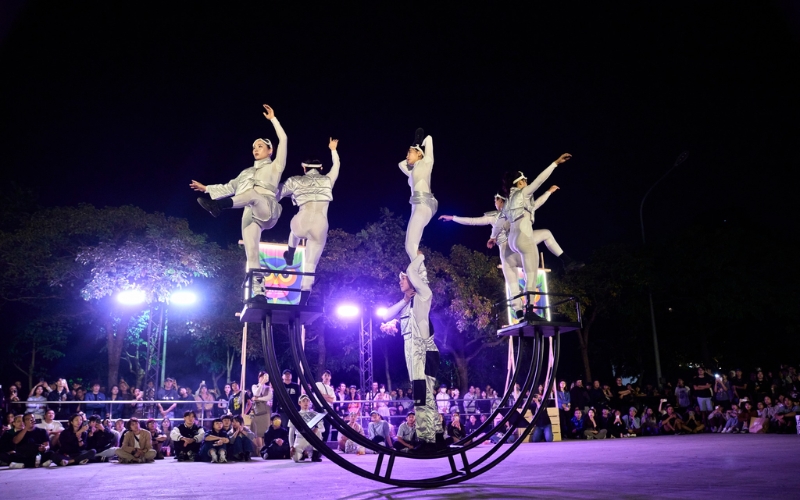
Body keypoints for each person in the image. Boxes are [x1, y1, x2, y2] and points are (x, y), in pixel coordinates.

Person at [191, 104, 287, 291]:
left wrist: (273, 119)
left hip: (266, 207)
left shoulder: (275, 166)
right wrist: (206, 188)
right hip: (248, 211)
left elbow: (283, 139)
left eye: (260, 146)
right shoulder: (245, 173)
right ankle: (259, 291)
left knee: (252, 194)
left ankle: (217, 207)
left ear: (270, 150)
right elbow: (229, 187)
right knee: (252, 253)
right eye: (253, 147)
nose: (255, 149)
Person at [500, 153, 578, 319]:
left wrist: (549, 192)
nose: (527, 182)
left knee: (546, 233)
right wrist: (555, 163)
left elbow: (534, 206)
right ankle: (529, 310)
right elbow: (539, 180)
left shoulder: (509, 200)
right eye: (525, 180)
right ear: (520, 182)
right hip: (523, 238)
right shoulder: (522, 193)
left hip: (513, 240)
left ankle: (567, 260)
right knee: (532, 274)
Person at [380, 251, 441, 453]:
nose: (400, 281)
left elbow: (413, 272)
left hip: (423, 352)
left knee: (422, 396)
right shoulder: (408, 305)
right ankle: (436, 435)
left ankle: (426, 439)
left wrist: (419, 257)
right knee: (426, 397)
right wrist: (404, 302)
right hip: (416, 352)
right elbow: (386, 315)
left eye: (404, 278)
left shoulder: (424, 295)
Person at [278, 138, 340, 303]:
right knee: (310, 264)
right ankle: (303, 298)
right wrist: (333, 149)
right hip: (320, 224)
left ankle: (290, 252)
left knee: (294, 230)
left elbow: (278, 193)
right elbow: (336, 167)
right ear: (321, 168)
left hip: (302, 219)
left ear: (304, 168)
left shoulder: (295, 179)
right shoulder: (327, 180)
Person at [398, 128, 436, 261]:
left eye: (409, 152)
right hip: (419, 206)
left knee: (410, 246)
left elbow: (429, 138)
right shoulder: (413, 172)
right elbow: (401, 164)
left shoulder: (426, 164)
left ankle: (420, 274)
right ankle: (419, 271)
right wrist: (413, 150)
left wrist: (418, 142)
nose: (407, 156)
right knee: (411, 246)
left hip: (422, 205)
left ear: (419, 154)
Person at [288, 394, 325, 463]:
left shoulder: (315, 414)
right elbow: (291, 433)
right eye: (303, 401)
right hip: (300, 439)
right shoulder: (295, 415)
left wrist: (316, 429)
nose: (306, 403)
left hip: (313, 439)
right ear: (299, 403)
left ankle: (315, 454)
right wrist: (291, 446)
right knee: (295, 458)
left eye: (307, 401)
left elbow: (323, 429)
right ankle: (303, 454)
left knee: (318, 432)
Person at [311, 370, 335, 461]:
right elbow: (318, 394)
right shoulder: (318, 384)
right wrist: (327, 396)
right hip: (318, 409)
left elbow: (332, 400)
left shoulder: (331, 389)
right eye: (325, 375)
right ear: (322, 376)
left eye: (328, 375)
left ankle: (320, 452)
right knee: (318, 431)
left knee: (326, 431)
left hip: (327, 410)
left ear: (330, 377)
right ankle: (315, 453)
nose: (326, 377)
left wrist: (323, 395)